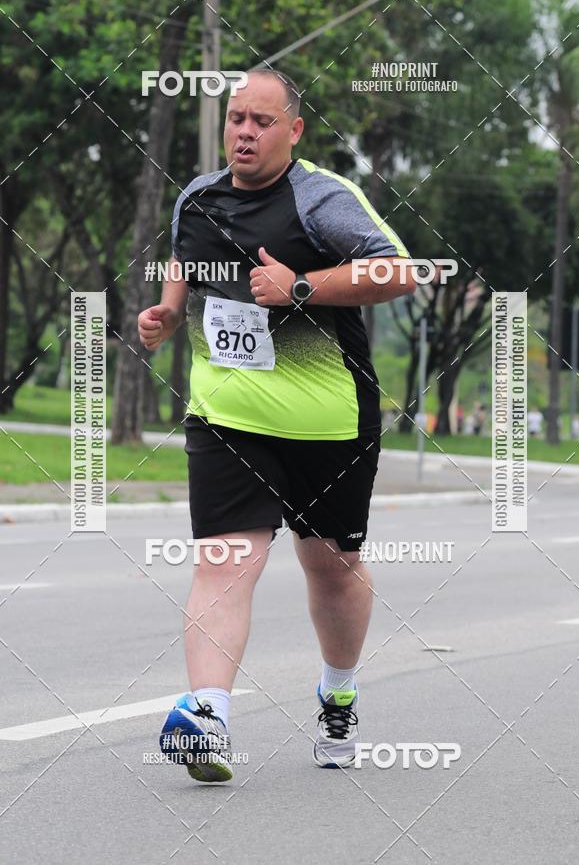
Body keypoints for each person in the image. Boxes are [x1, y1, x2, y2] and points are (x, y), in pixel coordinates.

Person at [138, 69, 416, 782]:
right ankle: (208, 717)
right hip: (228, 414)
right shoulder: (198, 198)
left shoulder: (322, 199)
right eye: (236, 119)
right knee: (225, 560)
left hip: (328, 422)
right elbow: (186, 259)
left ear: (293, 131)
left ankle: (338, 692)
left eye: (263, 121)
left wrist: (300, 285)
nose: (244, 133)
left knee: (330, 565)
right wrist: (168, 313)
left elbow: (399, 272)